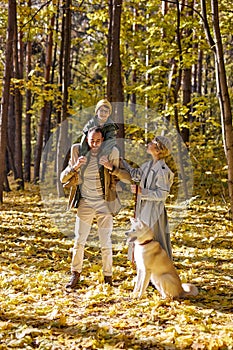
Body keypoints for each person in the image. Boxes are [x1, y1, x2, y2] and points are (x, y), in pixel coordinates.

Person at [60, 126, 130, 289]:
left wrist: (110, 167)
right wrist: (75, 167)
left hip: (104, 203)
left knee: (105, 241)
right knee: (79, 240)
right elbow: (63, 178)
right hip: (85, 202)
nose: (95, 144)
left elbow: (127, 177)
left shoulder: (111, 152)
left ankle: (108, 277)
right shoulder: (77, 150)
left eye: (98, 141)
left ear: (103, 140)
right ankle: (75, 274)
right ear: (86, 139)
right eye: (92, 140)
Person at [122, 136, 174, 260]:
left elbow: (162, 194)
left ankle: (156, 272)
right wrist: (120, 161)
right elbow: (135, 174)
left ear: (157, 150)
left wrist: (142, 191)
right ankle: (145, 270)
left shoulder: (162, 171)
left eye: (152, 143)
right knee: (142, 238)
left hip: (154, 210)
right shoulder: (148, 165)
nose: (148, 144)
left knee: (152, 239)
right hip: (144, 207)